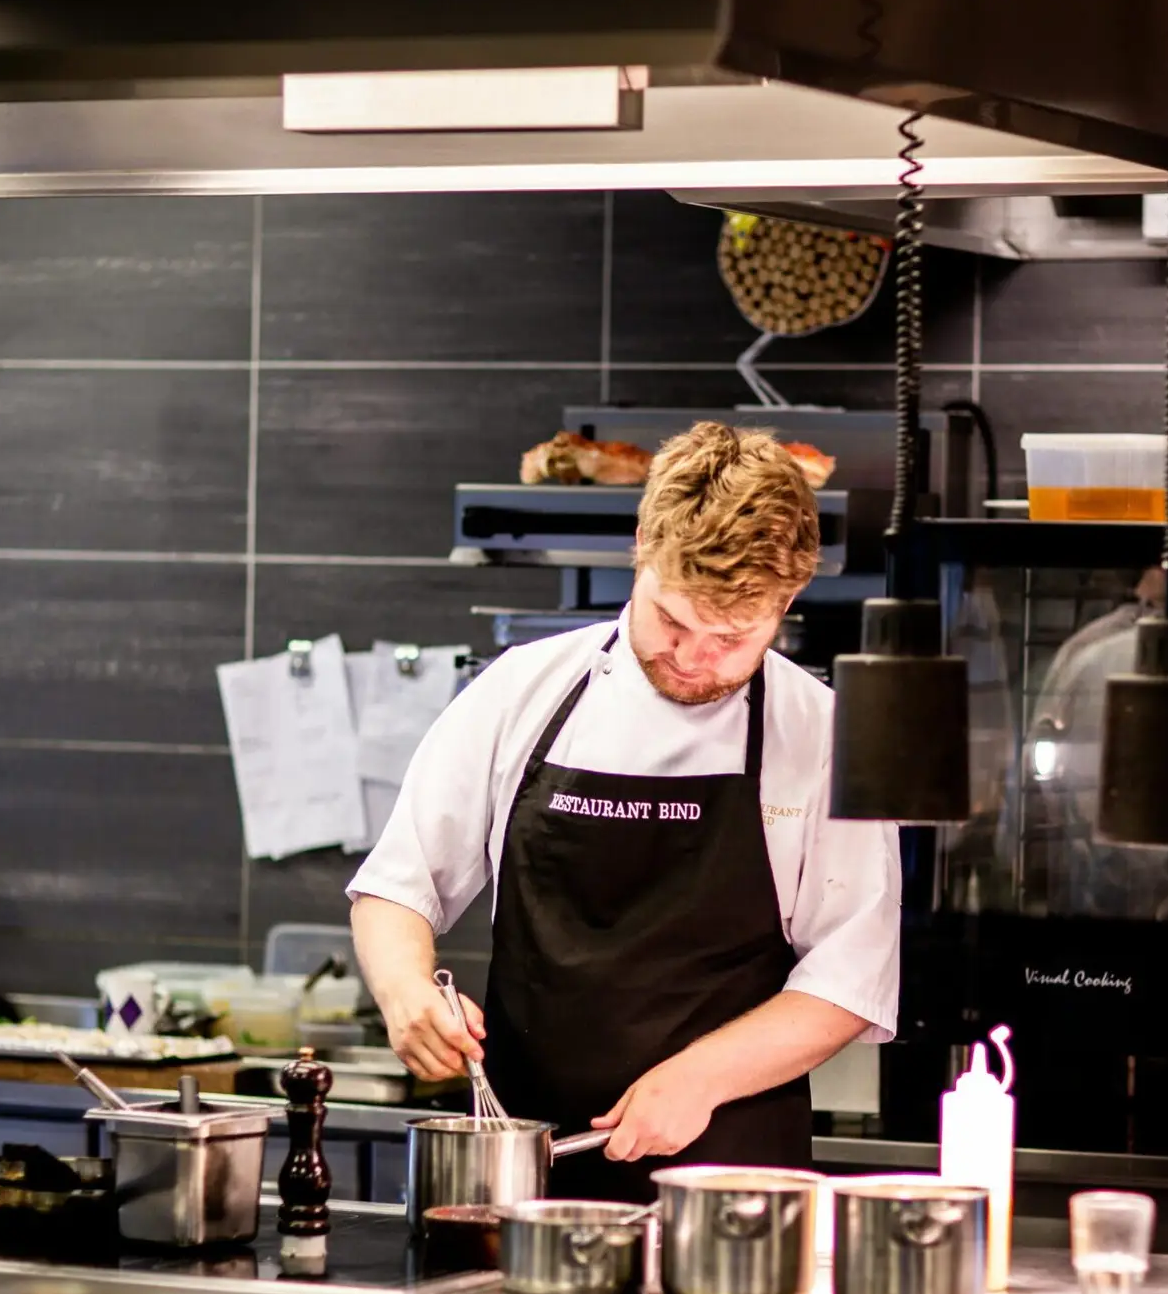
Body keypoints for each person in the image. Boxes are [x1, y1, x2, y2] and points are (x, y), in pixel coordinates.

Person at [348, 422, 900, 1200]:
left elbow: (850, 979)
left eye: (732, 637)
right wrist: (406, 990)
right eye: (673, 620)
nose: (694, 657)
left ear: (788, 598)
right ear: (642, 544)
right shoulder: (522, 692)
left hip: (729, 1192)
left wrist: (700, 1078)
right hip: (523, 1176)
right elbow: (398, 886)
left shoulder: (821, 735)